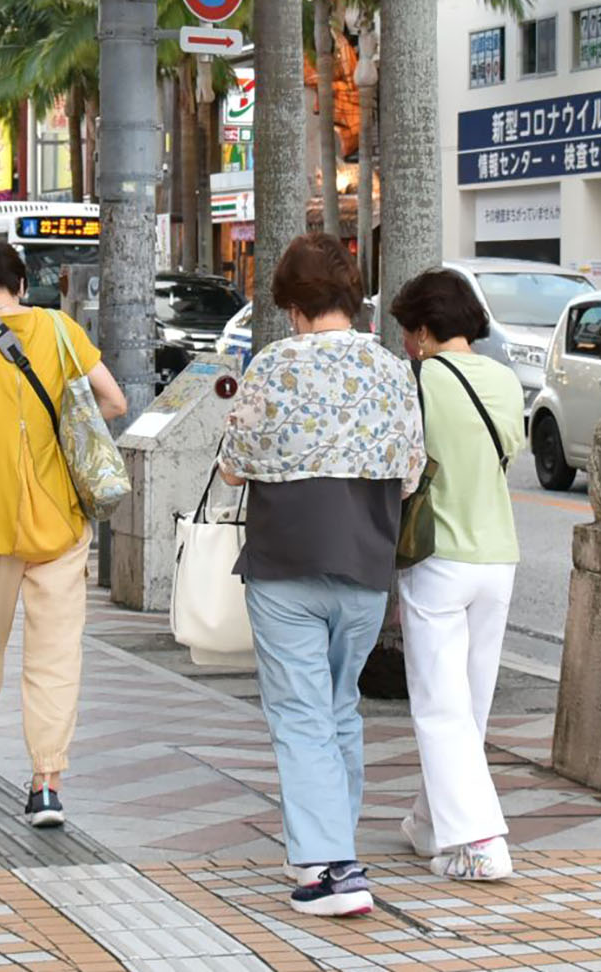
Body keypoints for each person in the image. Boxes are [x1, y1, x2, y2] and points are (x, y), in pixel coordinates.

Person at [217, 234, 424, 918]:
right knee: (339, 708)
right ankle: (331, 846)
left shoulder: (275, 366)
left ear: (293, 305)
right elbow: (413, 468)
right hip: (366, 562)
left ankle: (329, 866)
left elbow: (233, 461)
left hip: (285, 560)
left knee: (300, 713)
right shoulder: (393, 370)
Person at [0, 241, 127, 829]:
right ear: (19, 281)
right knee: (55, 656)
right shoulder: (60, 330)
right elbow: (112, 399)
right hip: (58, 522)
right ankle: (46, 786)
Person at [390, 268, 526, 882]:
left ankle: (478, 843)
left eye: (406, 333)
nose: (403, 345)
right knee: (469, 705)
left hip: (438, 555)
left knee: (440, 706)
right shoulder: (503, 379)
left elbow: (401, 466)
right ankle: (428, 824)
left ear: (422, 331)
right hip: (498, 557)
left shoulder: (417, 380)